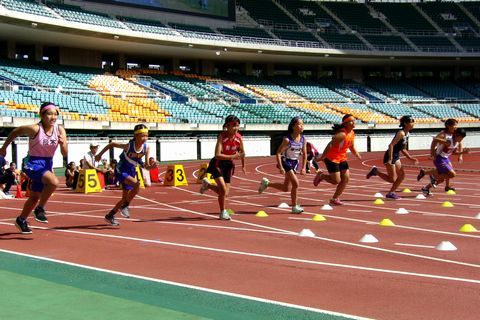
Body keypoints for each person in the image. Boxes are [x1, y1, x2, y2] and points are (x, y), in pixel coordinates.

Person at [0, 102, 68, 234]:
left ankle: (21, 220)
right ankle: (40, 209)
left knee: (34, 197)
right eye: (49, 114)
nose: (53, 117)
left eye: (55, 114)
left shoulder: (60, 130)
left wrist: (63, 143)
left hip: (47, 163)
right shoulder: (35, 129)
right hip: (32, 163)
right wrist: (4, 147)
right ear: (42, 115)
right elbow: (15, 131)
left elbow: (65, 153)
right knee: (54, 182)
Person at [95, 124, 157, 225]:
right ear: (135, 136)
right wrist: (99, 154)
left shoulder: (146, 148)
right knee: (137, 184)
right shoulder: (129, 146)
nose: (145, 138)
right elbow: (112, 144)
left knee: (124, 198)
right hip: (121, 170)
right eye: (142, 136)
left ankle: (110, 215)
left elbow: (146, 166)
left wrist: (152, 167)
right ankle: (126, 205)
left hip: (131, 172)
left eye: (146, 135)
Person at [199, 115, 246, 220]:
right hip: (217, 164)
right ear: (227, 126)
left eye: (237, 125)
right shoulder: (222, 137)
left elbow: (242, 152)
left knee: (225, 193)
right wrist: (233, 156)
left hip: (228, 166)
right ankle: (222, 212)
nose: (236, 128)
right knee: (223, 190)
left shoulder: (239, 138)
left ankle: (208, 186)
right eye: (233, 126)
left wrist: (243, 165)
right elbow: (217, 154)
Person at [258, 116, 306, 214]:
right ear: (293, 126)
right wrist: (280, 166)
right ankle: (294, 206)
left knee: (285, 188)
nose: (301, 126)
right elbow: (278, 153)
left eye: (302, 124)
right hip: (286, 162)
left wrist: (304, 167)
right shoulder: (287, 140)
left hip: (295, 163)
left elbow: (305, 154)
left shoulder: (303, 139)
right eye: (299, 124)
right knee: (296, 184)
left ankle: (267, 184)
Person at [312, 114, 361, 206]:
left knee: (346, 179)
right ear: (345, 123)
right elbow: (330, 145)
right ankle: (321, 176)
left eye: (354, 120)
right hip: (332, 158)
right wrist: (322, 157)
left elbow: (351, 145)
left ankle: (334, 198)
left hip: (342, 158)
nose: (354, 122)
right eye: (351, 121)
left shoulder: (352, 133)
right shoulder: (342, 134)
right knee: (336, 181)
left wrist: (356, 153)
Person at [366, 115, 418, 199]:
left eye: (413, 122)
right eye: (411, 122)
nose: (413, 124)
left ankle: (391, 193)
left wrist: (410, 158)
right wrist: (390, 159)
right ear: (405, 123)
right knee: (392, 179)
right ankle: (376, 172)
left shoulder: (407, 133)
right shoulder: (401, 133)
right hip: (390, 155)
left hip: (396, 155)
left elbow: (403, 148)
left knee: (401, 175)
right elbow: (391, 145)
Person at [418, 128, 468, 196]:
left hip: (445, 159)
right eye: (461, 137)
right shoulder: (449, 142)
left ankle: (426, 187)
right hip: (439, 159)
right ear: (456, 135)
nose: (462, 139)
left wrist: (463, 153)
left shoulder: (457, 142)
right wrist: (432, 154)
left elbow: (454, 152)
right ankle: (433, 177)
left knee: (441, 179)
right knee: (452, 174)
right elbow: (435, 140)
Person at [418, 118, 459, 192]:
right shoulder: (443, 134)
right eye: (455, 125)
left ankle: (446, 186)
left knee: (448, 171)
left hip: (446, 157)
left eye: (457, 126)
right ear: (448, 126)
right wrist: (432, 154)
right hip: (439, 157)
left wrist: (461, 154)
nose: (456, 127)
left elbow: (459, 142)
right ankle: (432, 178)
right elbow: (434, 141)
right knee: (447, 173)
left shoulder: (454, 133)